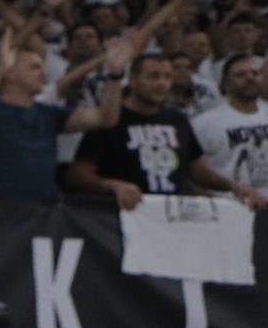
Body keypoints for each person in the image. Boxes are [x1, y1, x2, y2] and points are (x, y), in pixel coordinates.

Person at [67, 50, 266, 211]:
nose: (162, 83)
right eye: (153, 76)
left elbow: (195, 168)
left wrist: (232, 187)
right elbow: (76, 173)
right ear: (134, 80)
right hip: (123, 216)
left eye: (167, 77)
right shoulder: (111, 119)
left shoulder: (177, 119)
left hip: (170, 216)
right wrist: (112, 185)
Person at [0, 32, 126, 199]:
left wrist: (115, 76)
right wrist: (0, 70)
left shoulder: (49, 114)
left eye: (43, 67)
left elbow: (106, 118)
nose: (44, 73)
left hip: (43, 213)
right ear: (11, 73)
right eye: (34, 67)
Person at [192, 55, 268, 192]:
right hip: (229, 203)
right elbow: (191, 170)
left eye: (255, 73)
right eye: (240, 75)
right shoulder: (204, 123)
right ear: (224, 85)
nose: (250, 78)